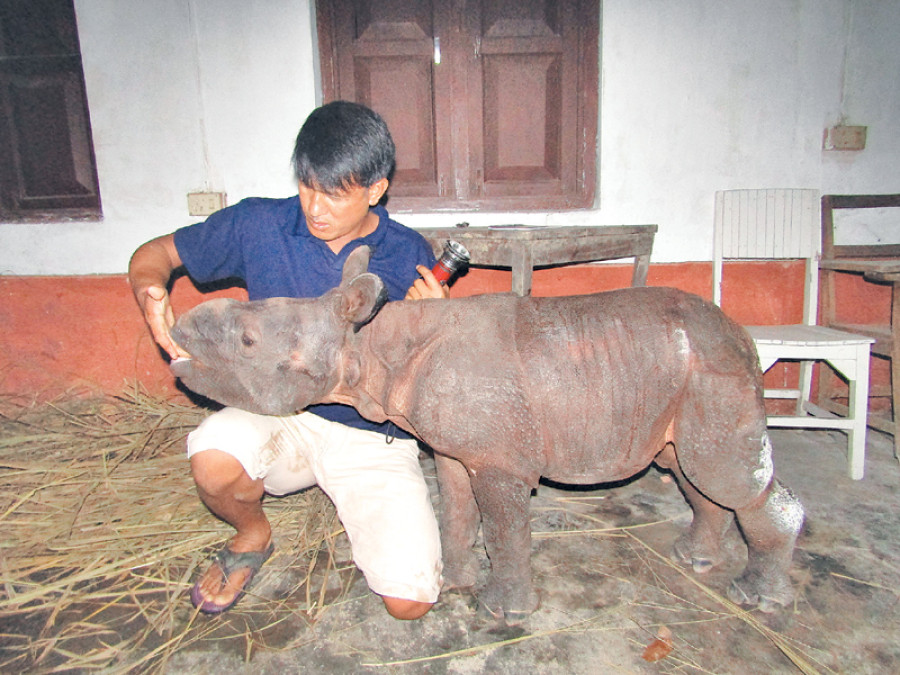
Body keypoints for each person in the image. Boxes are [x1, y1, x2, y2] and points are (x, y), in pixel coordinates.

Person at [129, 101, 447, 620]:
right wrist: (150, 293)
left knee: (409, 604)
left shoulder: (406, 250)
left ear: (375, 189)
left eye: (334, 193)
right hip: (279, 413)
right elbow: (154, 253)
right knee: (212, 456)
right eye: (307, 186)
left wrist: (438, 324)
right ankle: (252, 535)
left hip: (373, 430)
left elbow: (429, 365)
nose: (315, 207)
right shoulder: (260, 223)